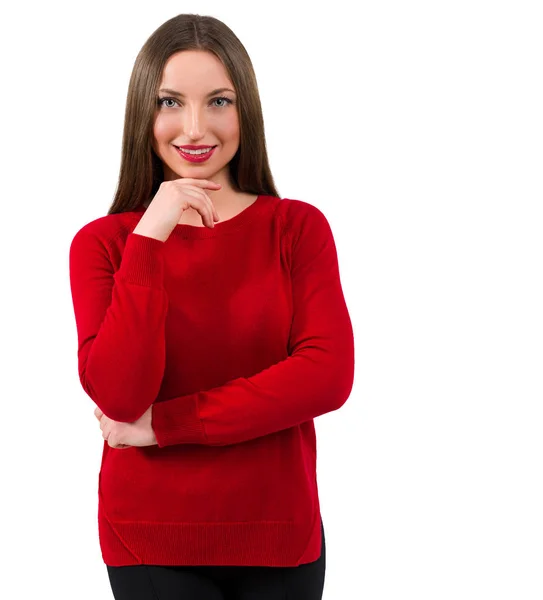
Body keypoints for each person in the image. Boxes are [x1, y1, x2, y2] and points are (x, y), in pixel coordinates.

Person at [68, 13, 354, 600]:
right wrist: (149, 239)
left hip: (280, 537)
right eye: (170, 101)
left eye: (219, 101)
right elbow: (121, 396)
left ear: (245, 109)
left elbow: (327, 376)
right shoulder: (104, 244)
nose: (195, 127)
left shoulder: (297, 229)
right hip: (151, 541)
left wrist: (165, 427)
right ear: (142, 115)